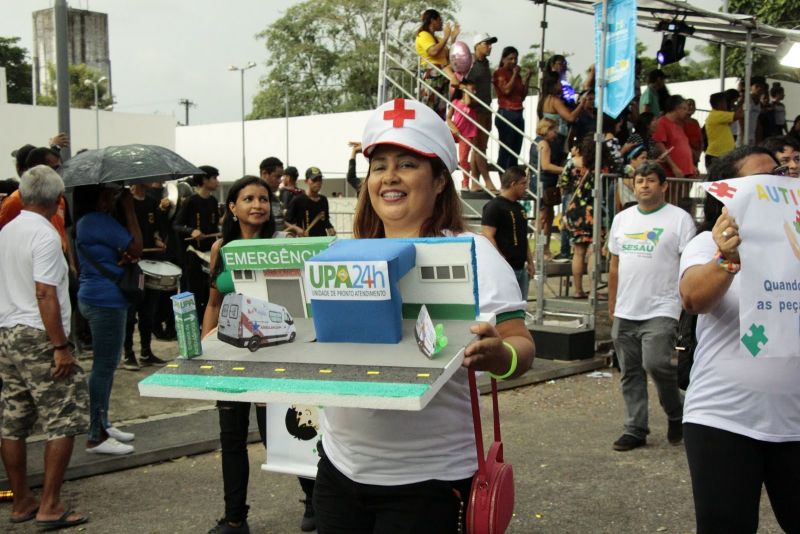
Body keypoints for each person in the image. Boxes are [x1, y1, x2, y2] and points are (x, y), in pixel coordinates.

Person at [313, 98, 535, 532]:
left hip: (429, 481)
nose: (390, 177)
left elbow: (521, 347)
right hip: (338, 469)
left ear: (438, 182)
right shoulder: (339, 254)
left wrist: (499, 356)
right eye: (380, 165)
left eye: (408, 164)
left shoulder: (476, 255)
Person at [678, 145, 800, 533]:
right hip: (723, 420)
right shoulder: (705, 246)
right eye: (761, 179)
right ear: (728, 192)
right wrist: (727, 259)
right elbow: (694, 298)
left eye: (779, 174)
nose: (775, 184)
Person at [201, 176, 315, 533]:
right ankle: (235, 518)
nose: (257, 204)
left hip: (273, 353)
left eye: (263, 199)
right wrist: (205, 341)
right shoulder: (221, 249)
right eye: (248, 198)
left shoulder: (282, 246)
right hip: (230, 355)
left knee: (281, 434)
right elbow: (213, 302)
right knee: (231, 438)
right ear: (232, 207)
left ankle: (315, 501)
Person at [0, 165, 89, 529]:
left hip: (7, 332)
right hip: (39, 333)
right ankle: (50, 505)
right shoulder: (46, 234)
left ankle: (21, 501)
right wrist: (60, 346)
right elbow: (45, 292)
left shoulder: (7, 230)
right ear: (58, 199)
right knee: (63, 417)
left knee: (13, 420)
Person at [607, 161, 696, 451]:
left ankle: (676, 410)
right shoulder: (622, 219)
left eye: (650, 180)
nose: (644, 185)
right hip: (625, 309)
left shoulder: (680, 219)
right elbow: (615, 265)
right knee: (630, 372)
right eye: (639, 180)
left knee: (656, 363)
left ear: (663, 185)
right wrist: (612, 305)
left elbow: (689, 265)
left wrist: (686, 307)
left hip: (662, 307)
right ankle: (635, 429)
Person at [73, 183, 142, 455]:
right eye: (108, 193)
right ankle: (96, 435)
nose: (112, 196)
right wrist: (129, 208)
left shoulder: (86, 222)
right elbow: (136, 246)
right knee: (103, 368)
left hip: (95, 296)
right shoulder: (97, 221)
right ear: (98, 196)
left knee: (107, 365)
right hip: (106, 301)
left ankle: (103, 422)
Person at [122, 183, 170, 370]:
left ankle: (146, 351)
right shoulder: (124, 203)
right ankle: (128, 353)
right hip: (132, 265)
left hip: (151, 261)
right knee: (130, 312)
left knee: (148, 311)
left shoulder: (152, 202)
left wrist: (158, 239)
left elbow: (156, 228)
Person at [174, 165, 221, 322]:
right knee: (195, 291)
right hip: (194, 252)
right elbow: (177, 225)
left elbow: (215, 226)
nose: (217, 182)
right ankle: (193, 324)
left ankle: (206, 322)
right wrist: (191, 231)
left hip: (210, 253)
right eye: (214, 178)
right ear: (204, 179)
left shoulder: (214, 201)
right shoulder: (190, 201)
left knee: (209, 292)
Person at [482, 165, 534, 298]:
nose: (526, 187)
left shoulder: (520, 208)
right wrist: (502, 262)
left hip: (520, 267)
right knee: (507, 308)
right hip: (505, 269)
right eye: (523, 184)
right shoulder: (494, 206)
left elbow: (523, 237)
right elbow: (488, 236)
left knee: (520, 307)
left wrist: (530, 262)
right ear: (513, 184)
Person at [564, 135, 607, 298]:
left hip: (575, 210)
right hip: (593, 211)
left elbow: (563, 184)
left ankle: (578, 290)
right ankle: (594, 291)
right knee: (594, 250)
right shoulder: (600, 166)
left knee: (578, 252)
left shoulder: (571, 163)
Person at [466, 32, 499, 192]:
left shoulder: (485, 64)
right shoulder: (470, 64)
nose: (489, 47)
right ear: (477, 45)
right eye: (486, 44)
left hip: (486, 108)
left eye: (490, 44)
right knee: (479, 147)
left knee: (479, 147)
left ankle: (474, 182)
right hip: (475, 110)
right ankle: (487, 181)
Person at [414, 8, 460, 117]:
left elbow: (449, 55)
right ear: (432, 20)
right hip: (431, 75)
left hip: (442, 75)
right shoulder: (423, 35)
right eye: (439, 20)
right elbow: (433, 51)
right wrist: (446, 37)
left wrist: (453, 38)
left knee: (440, 112)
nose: (441, 23)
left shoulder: (438, 38)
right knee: (428, 111)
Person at [492, 46, 532, 172]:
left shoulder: (517, 75)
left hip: (518, 112)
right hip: (506, 112)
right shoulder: (499, 73)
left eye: (515, 58)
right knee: (506, 149)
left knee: (515, 150)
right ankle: (503, 177)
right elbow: (506, 90)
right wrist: (515, 74)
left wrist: (526, 78)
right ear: (503, 59)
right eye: (510, 59)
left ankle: (511, 178)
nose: (514, 61)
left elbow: (522, 95)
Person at [530, 118, 565, 257]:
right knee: (544, 217)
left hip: (541, 182)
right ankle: (540, 249)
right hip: (543, 183)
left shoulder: (536, 142)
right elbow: (546, 165)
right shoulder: (544, 143)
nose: (556, 133)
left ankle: (544, 248)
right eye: (553, 130)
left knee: (548, 216)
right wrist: (564, 169)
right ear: (547, 129)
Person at [446, 78, 479, 190]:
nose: (474, 91)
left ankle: (465, 183)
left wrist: (466, 91)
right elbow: (448, 118)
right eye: (472, 88)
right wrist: (453, 128)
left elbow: (468, 102)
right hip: (456, 131)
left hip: (466, 135)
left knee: (463, 159)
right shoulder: (455, 102)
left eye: (475, 89)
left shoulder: (474, 102)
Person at [652, 95, 696, 179]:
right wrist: (674, 167)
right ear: (677, 108)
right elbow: (660, 146)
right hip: (673, 172)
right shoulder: (662, 123)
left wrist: (692, 166)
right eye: (684, 109)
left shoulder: (679, 125)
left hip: (686, 170)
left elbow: (683, 146)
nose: (686, 112)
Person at [285, 167, 336, 237]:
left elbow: (325, 219)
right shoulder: (298, 200)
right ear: (306, 181)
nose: (318, 182)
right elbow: (285, 222)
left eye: (320, 180)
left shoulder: (324, 200)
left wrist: (330, 227)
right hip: (306, 243)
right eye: (314, 180)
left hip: (322, 240)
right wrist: (295, 229)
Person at [704, 91, 743, 170]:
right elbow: (739, 115)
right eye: (725, 102)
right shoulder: (717, 114)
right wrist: (740, 103)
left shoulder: (718, 115)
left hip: (721, 155)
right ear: (720, 103)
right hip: (716, 156)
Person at [616, 144, 647, 212]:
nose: (645, 161)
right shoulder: (627, 169)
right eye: (642, 158)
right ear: (632, 159)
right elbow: (633, 186)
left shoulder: (638, 172)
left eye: (646, 158)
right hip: (630, 206)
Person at [258, 157, 286, 231]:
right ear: (264, 174)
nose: (280, 181)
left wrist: (293, 228)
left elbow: (278, 222)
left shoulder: (275, 199)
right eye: (277, 177)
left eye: (281, 177)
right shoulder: (252, 200)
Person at [684, 99, 703, 169]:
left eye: (693, 105)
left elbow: (701, 139)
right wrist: (693, 152)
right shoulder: (681, 122)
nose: (691, 107)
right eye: (689, 105)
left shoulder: (695, 122)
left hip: (696, 156)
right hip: (686, 155)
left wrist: (699, 153)